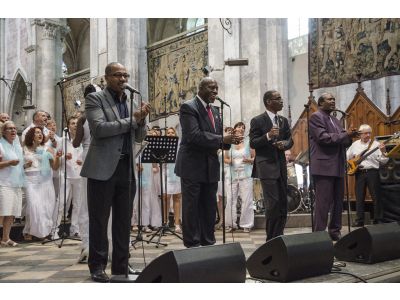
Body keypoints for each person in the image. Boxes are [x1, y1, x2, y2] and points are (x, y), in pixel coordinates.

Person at [80, 62, 150, 283]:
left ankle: (121, 265)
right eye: (118, 75)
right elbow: (99, 130)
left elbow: (138, 137)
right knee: (99, 221)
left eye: (125, 75)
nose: (123, 78)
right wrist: (133, 120)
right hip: (102, 168)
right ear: (107, 77)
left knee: (123, 220)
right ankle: (98, 266)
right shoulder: (95, 99)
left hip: (126, 168)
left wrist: (142, 121)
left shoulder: (130, 101)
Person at [174, 77, 238, 248]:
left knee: (209, 206)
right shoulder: (189, 107)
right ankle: (193, 244)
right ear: (200, 88)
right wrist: (221, 138)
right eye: (211, 88)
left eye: (217, 88)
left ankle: (208, 242)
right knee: (192, 207)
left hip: (210, 166)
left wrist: (231, 140)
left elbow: (217, 140)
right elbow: (193, 135)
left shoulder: (216, 110)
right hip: (192, 165)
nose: (215, 92)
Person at [309, 92, 358, 241]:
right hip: (324, 166)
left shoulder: (336, 120)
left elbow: (343, 140)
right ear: (320, 103)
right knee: (323, 203)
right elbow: (323, 138)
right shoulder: (316, 117)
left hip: (337, 165)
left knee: (338, 201)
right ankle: (319, 234)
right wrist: (345, 135)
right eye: (329, 99)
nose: (333, 101)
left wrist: (350, 136)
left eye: (334, 99)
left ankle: (334, 231)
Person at [250, 90, 293, 241]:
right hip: (266, 166)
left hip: (280, 166)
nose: (281, 101)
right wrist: (268, 136)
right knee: (273, 203)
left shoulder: (283, 120)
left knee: (283, 203)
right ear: (269, 102)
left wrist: (285, 144)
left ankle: (279, 236)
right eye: (278, 98)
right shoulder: (257, 120)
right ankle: (271, 239)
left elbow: (290, 140)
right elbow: (253, 142)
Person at [23, 126, 61, 240]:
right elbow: (19, 166)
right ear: (31, 136)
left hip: (45, 181)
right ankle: (32, 230)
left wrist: (58, 157)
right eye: (36, 133)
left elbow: (55, 167)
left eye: (41, 133)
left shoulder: (47, 149)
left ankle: (42, 232)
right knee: (33, 206)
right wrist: (25, 165)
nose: (40, 134)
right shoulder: (24, 148)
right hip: (30, 180)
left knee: (46, 207)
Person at [346, 124, 389, 226]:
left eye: (369, 133)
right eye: (365, 133)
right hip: (359, 173)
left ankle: (378, 220)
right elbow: (347, 157)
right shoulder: (355, 145)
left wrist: (383, 152)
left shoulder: (376, 144)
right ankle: (359, 220)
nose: (368, 135)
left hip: (372, 172)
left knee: (376, 197)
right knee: (359, 197)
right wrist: (353, 162)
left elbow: (384, 161)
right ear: (360, 134)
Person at [0, 121, 27, 247]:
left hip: (16, 183)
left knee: (10, 212)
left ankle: (6, 238)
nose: (13, 131)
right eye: (10, 128)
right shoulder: (0, 145)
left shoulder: (17, 147)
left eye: (15, 128)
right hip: (4, 182)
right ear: (4, 131)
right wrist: (9, 163)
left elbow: (19, 164)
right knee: (2, 212)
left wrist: (25, 165)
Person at [224, 122, 255, 233]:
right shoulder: (230, 142)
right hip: (232, 175)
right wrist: (230, 161)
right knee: (230, 200)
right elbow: (225, 158)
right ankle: (231, 224)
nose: (241, 128)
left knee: (246, 200)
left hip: (246, 175)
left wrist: (249, 160)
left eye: (243, 127)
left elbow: (254, 158)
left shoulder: (248, 142)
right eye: (239, 127)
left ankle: (246, 224)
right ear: (235, 129)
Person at [163, 127, 182, 233]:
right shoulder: (163, 145)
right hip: (166, 173)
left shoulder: (179, 145)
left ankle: (177, 223)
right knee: (166, 197)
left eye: (172, 132)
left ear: (175, 134)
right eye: (168, 133)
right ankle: (165, 222)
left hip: (176, 172)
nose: (170, 134)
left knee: (177, 198)